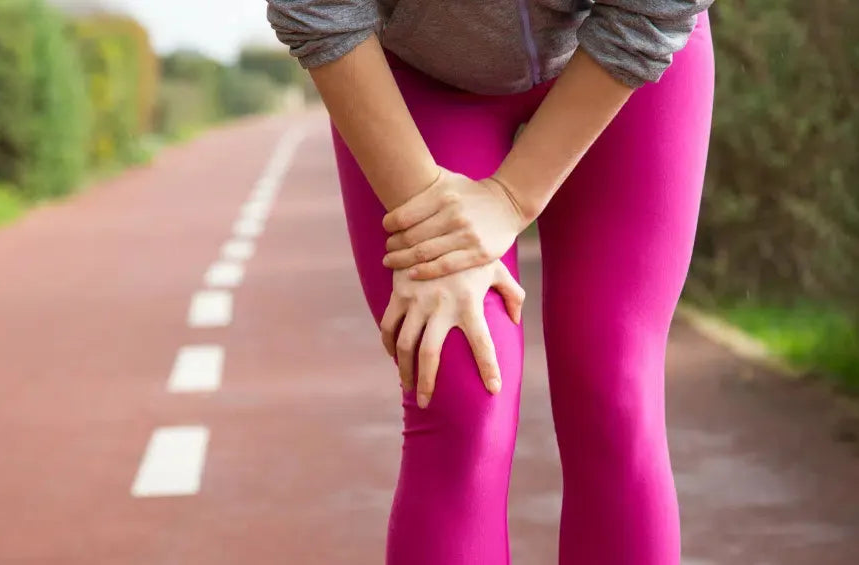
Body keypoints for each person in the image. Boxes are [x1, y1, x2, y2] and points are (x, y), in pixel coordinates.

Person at [266, 1, 715, 563]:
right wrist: (432, 215)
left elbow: (655, 10)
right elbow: (316, 9)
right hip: (418, 74)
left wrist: (510, 198)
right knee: (458, 388)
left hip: (625, 49)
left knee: (614, 389)